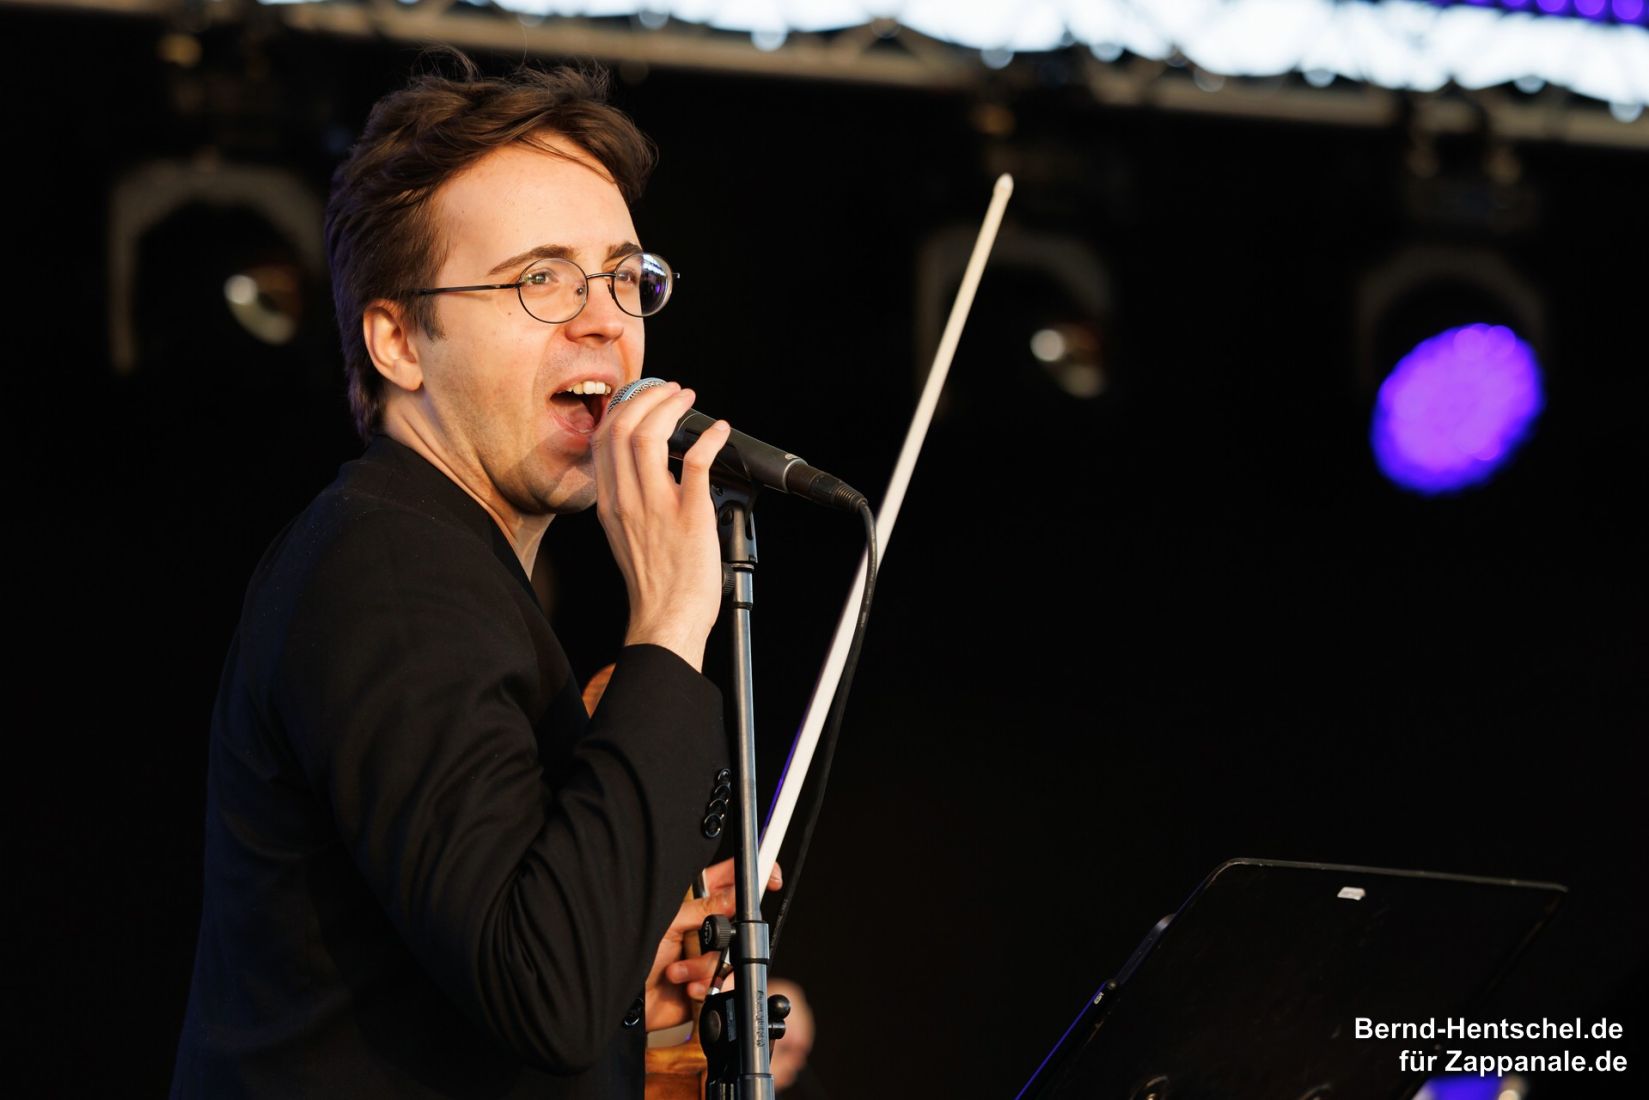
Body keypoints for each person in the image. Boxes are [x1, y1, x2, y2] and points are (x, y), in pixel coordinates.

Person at [171, 54, 777, 1098]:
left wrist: (631, 972)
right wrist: (674, 616)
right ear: (397, 340)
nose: (604, 319)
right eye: (540, 279)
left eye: (622, 275)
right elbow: (545, 988)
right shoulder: (388, 568)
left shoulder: (447, 570)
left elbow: (506, 968)